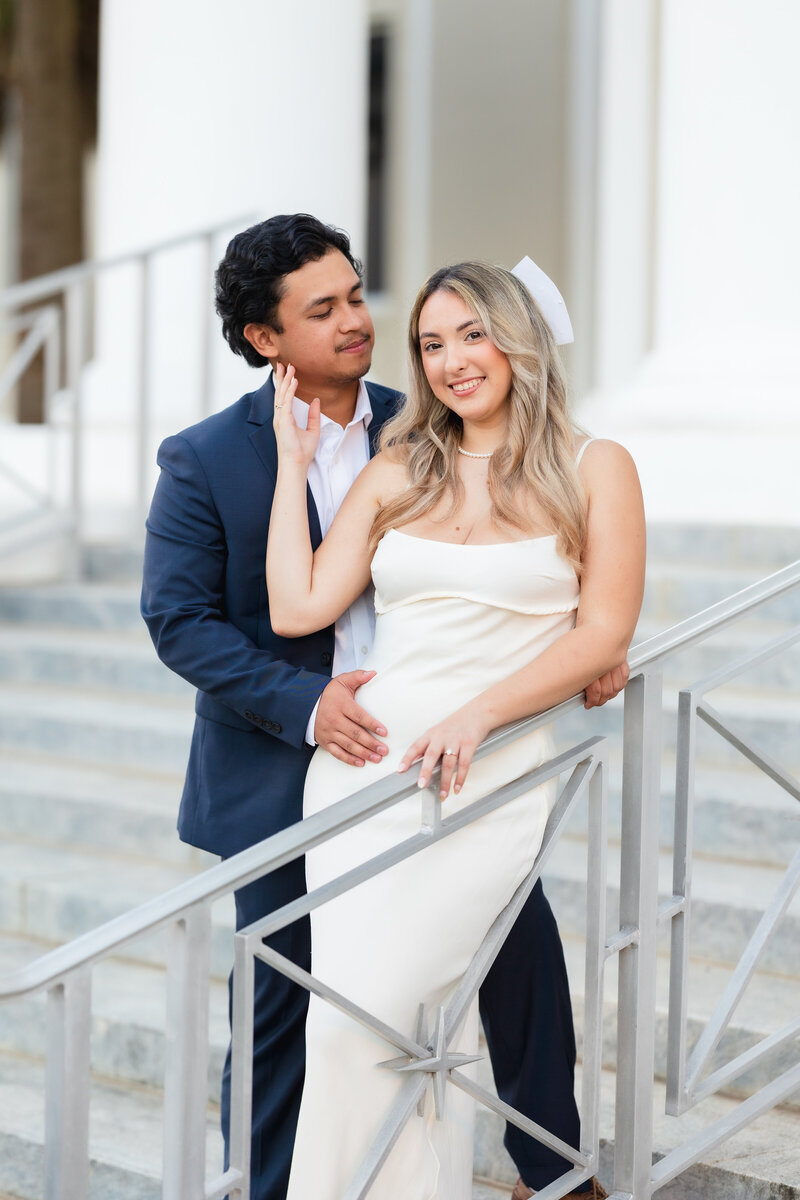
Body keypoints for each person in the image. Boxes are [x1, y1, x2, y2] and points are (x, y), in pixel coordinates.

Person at [141, 214, 629, 1200]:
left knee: (510, 963)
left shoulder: (429, 419)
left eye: (357, 295)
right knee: (300, 1011)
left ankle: (554, 1166)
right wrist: (308, 707)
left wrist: (589, 640)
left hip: (468, 752)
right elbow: (181, 622)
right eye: (322, 310)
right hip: (298, 763)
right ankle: (278, 1188)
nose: (356, 321)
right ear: (263, 341)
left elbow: (559, 558)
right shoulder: (205, 458)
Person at [267, 258, 645, 1199]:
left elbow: (604, 629)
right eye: (431, 345)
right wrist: (291, 465)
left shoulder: (597, 467)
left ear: (517, 337)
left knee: (394, 1013)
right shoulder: (403, 465)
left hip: (495, 769)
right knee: (351, 1024)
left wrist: (480, 712)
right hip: (367, 775)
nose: (449, 362)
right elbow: (297, 605)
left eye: (471, 335)